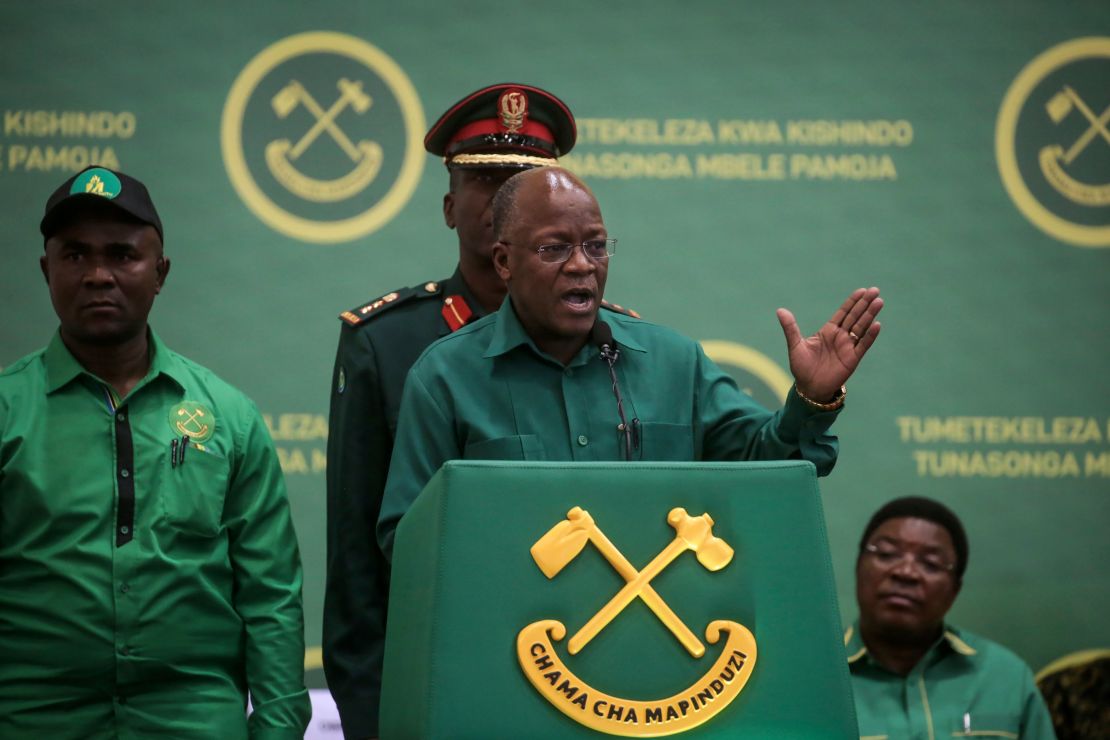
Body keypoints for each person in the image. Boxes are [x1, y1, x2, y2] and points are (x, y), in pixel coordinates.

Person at [377, 165, 884, 557]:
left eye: (596, 246)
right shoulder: (444, 377)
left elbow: (767, 468)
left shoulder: (674, 362)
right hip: (512, 649)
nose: (582, 266)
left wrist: (812, 399)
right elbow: (408, 539)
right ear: (505, 262)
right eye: (555, 249)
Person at [0, 166, 310, 738]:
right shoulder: (6, 413)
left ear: (160, 272)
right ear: (46, 271)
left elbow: (270, 598)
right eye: (74, 256)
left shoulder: (230, 417)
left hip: (192, 716)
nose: (98, 275)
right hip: (32, 715)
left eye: (122, 255)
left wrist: (278, 727)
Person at [324, 83, 583, 738]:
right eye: (488, 181)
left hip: (588, 678)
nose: (510, 202)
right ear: (448, 206)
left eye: (527, 181)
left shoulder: (614, 344)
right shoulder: (386, 343)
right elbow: (359, 571)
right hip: (443, 685)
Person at [846, 496, 1056, 739]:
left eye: (931, 563)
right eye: (887, 554)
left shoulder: (1006, 677)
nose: (906, 572)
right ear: (859, 566)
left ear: (955, 590)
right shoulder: (814, 680)